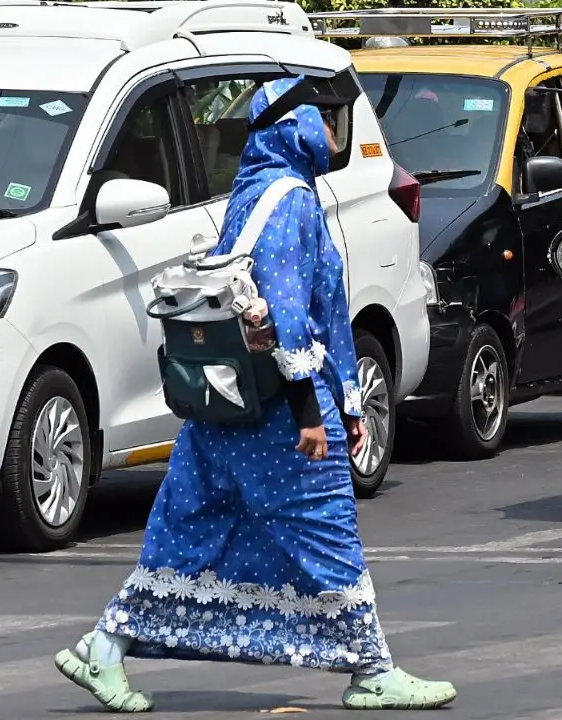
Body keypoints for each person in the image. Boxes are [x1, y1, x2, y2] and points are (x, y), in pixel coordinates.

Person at [53, 76, 457, 713]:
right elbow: (290, 310)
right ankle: (373, 669)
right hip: (277, 404)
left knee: (189, 523)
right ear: (295, 127)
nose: (334, 135)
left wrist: (349, 404)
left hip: (226, 398)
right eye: (326, 121)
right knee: (325, 525)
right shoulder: (290, 199)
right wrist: (314, 410)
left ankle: (104, 649)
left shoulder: (251, 190)